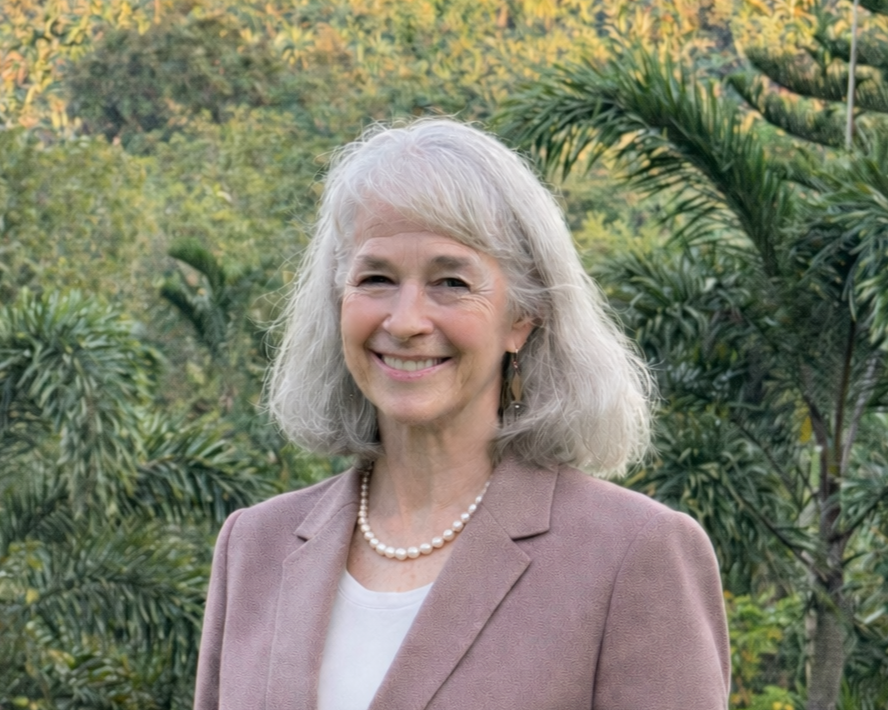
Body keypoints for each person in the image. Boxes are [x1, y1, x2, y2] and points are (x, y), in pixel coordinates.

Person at [193, 118, 730, 710]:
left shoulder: (634, 554)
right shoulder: (254, 547)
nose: (405, 321)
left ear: (522, 317)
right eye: (376, 278)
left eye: (450, 282)